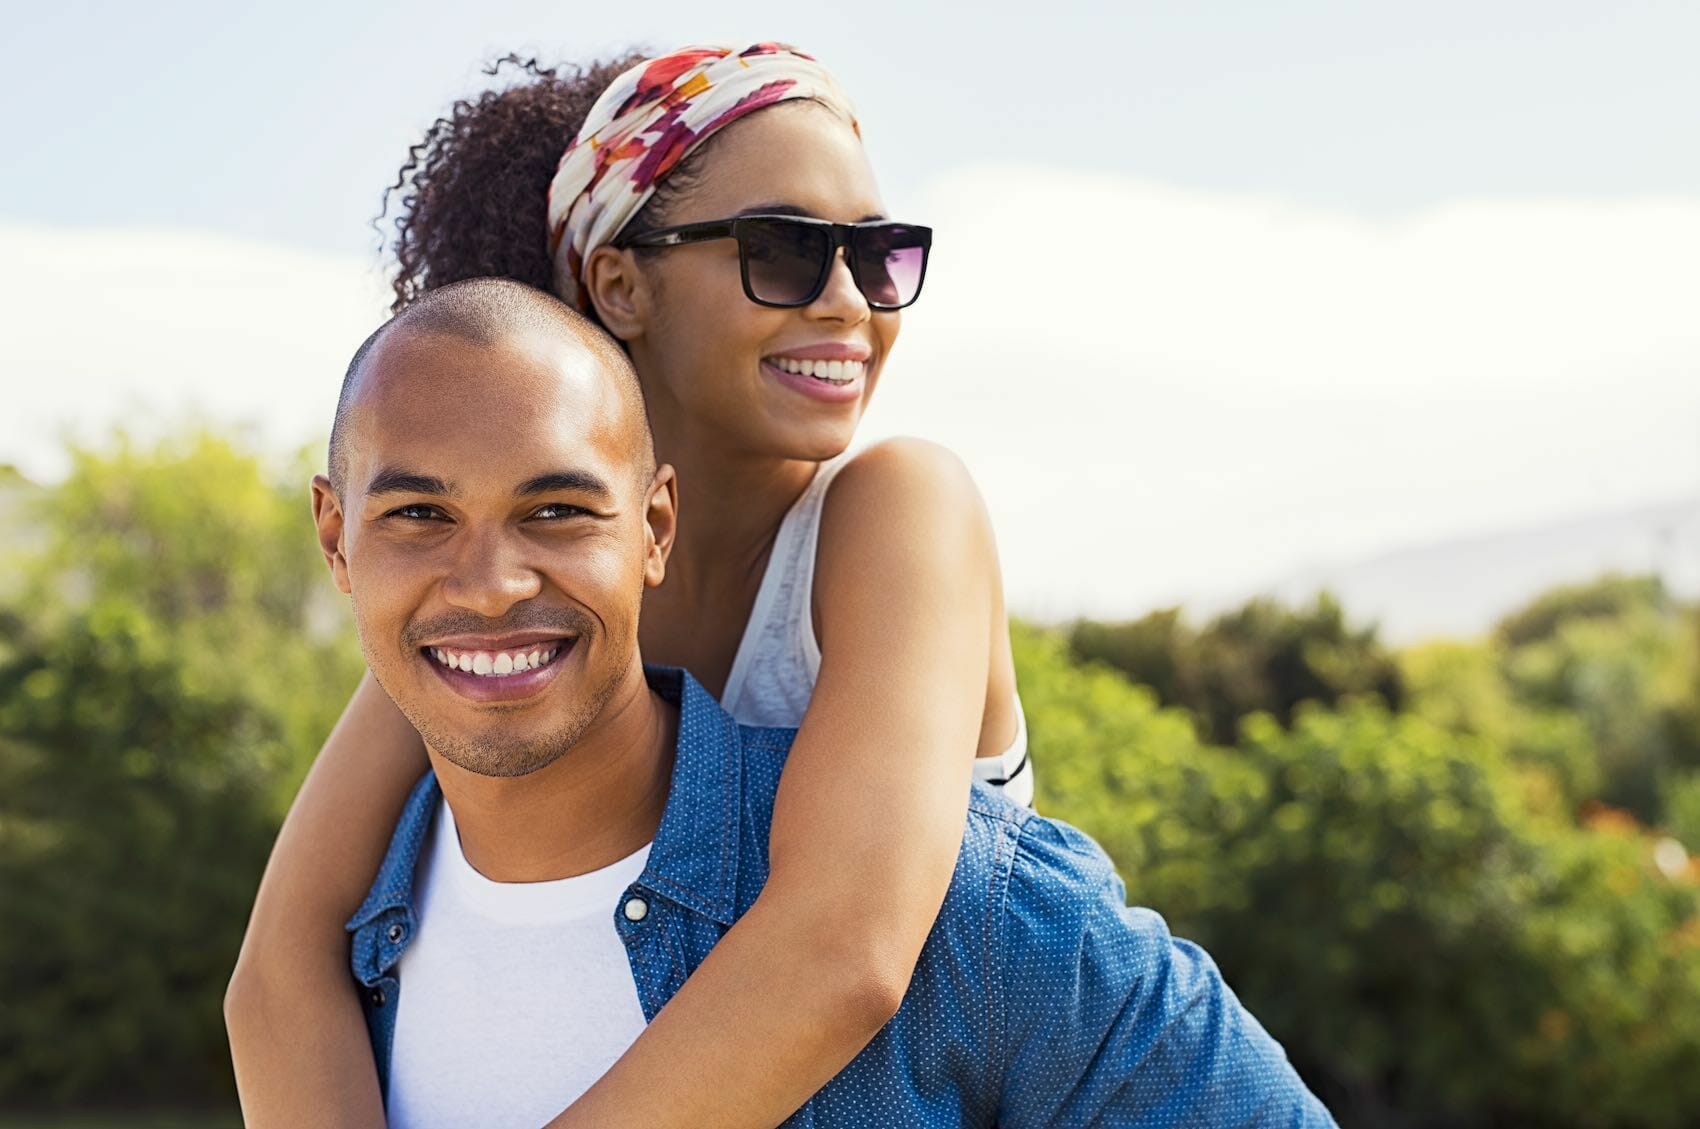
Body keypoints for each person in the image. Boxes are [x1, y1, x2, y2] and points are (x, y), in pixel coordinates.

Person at [229, 42, 1080, 1126]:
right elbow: (279, 970)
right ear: (618, 282)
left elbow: (844, 953)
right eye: (781, 249)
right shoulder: (507, 600)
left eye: (878, 256)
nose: (845, 302)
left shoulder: (897, 510)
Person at [315, 275, 1334, 1127]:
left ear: (654, 527)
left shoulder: (977, 910)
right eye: (417, 514)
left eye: (557, 509)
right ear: (335, 542)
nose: (490, 581)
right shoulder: (339, 963)